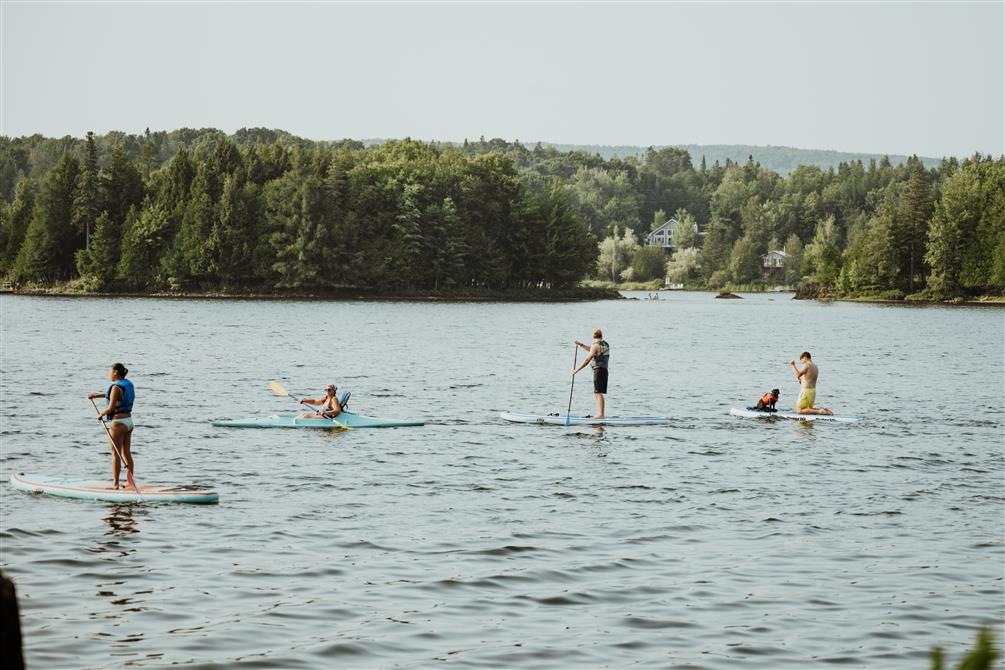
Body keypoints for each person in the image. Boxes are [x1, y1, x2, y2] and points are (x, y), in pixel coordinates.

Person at [87, 363, 135, 489]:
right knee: (126, 452)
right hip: (129, 422)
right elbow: (113, 395)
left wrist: (101, 414)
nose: (109, 374)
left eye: (110, 371)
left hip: (118, 423)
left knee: (115, 454)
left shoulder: (115, 388)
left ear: (115, 372)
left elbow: (111, 407)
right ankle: (130, 482)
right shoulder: (128, 384)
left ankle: (115, 484)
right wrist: (96, 395)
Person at [573, 328, 610, 419]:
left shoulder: (595, 346)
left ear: (593, 337)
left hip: (598, 370)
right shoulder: (605, 344)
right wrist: (581, 345)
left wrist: (576, 370)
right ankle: (601, 413)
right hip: (604, 370)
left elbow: (587, 359)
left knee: (598, 393)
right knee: (599, 392)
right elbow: (592, 350)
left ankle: (600, 414)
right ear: (601, 336)